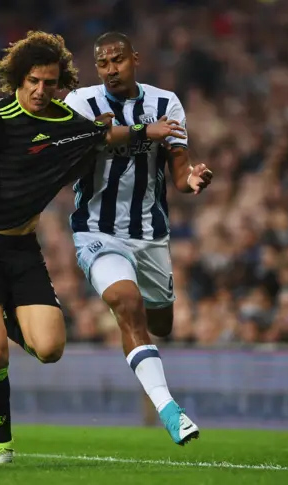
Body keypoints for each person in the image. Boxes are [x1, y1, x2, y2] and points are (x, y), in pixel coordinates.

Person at [0, 31, 187, 464]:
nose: (41, 90)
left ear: (59, 82)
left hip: (23, 249)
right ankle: (1, 445)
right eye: (33, 81)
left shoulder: (65, 122)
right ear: (17, 80)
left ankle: (2, 314)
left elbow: (103, 138)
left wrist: (146, 130)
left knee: (50, 349)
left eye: (49, 82)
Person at [63, 32, 213, 447]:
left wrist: (193, 180)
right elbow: (91, 140)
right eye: (103, 63)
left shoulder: (167, 103)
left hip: (149, 235)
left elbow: (180, 172)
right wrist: (147, 132)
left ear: (135, 59)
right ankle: (171, 412)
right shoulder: (81, 103)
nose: (111, 69)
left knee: (160, 322)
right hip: (96, 228)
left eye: (118, 60)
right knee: (126, 305)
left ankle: (143, 331)